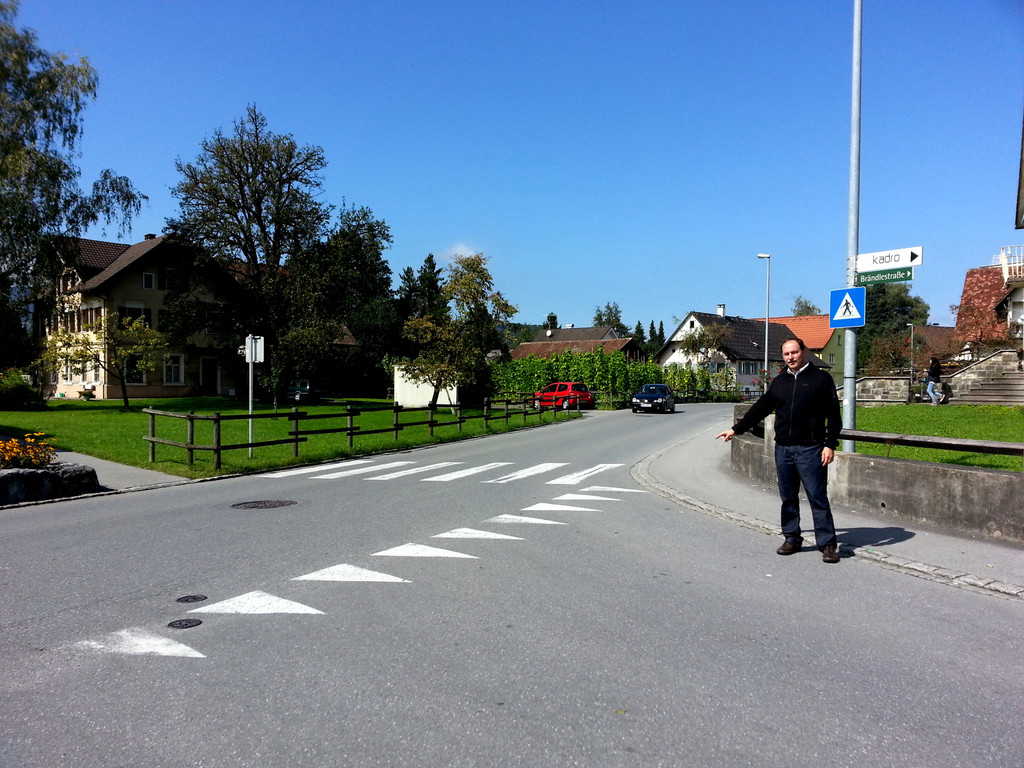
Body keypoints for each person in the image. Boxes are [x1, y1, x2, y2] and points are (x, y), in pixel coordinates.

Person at [716, 337, 842, 564]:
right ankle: (792, 538)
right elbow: (761, 407)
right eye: (786, 354)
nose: (790, 358)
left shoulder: (821, 379)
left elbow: (833, 415)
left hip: (811, 449)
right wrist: (736, 429)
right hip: (783, 449)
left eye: (794, 352)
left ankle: (828, 544)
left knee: (817, 498)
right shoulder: (780, 381)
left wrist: (830, 444)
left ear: (803, 352)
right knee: (788, 498)